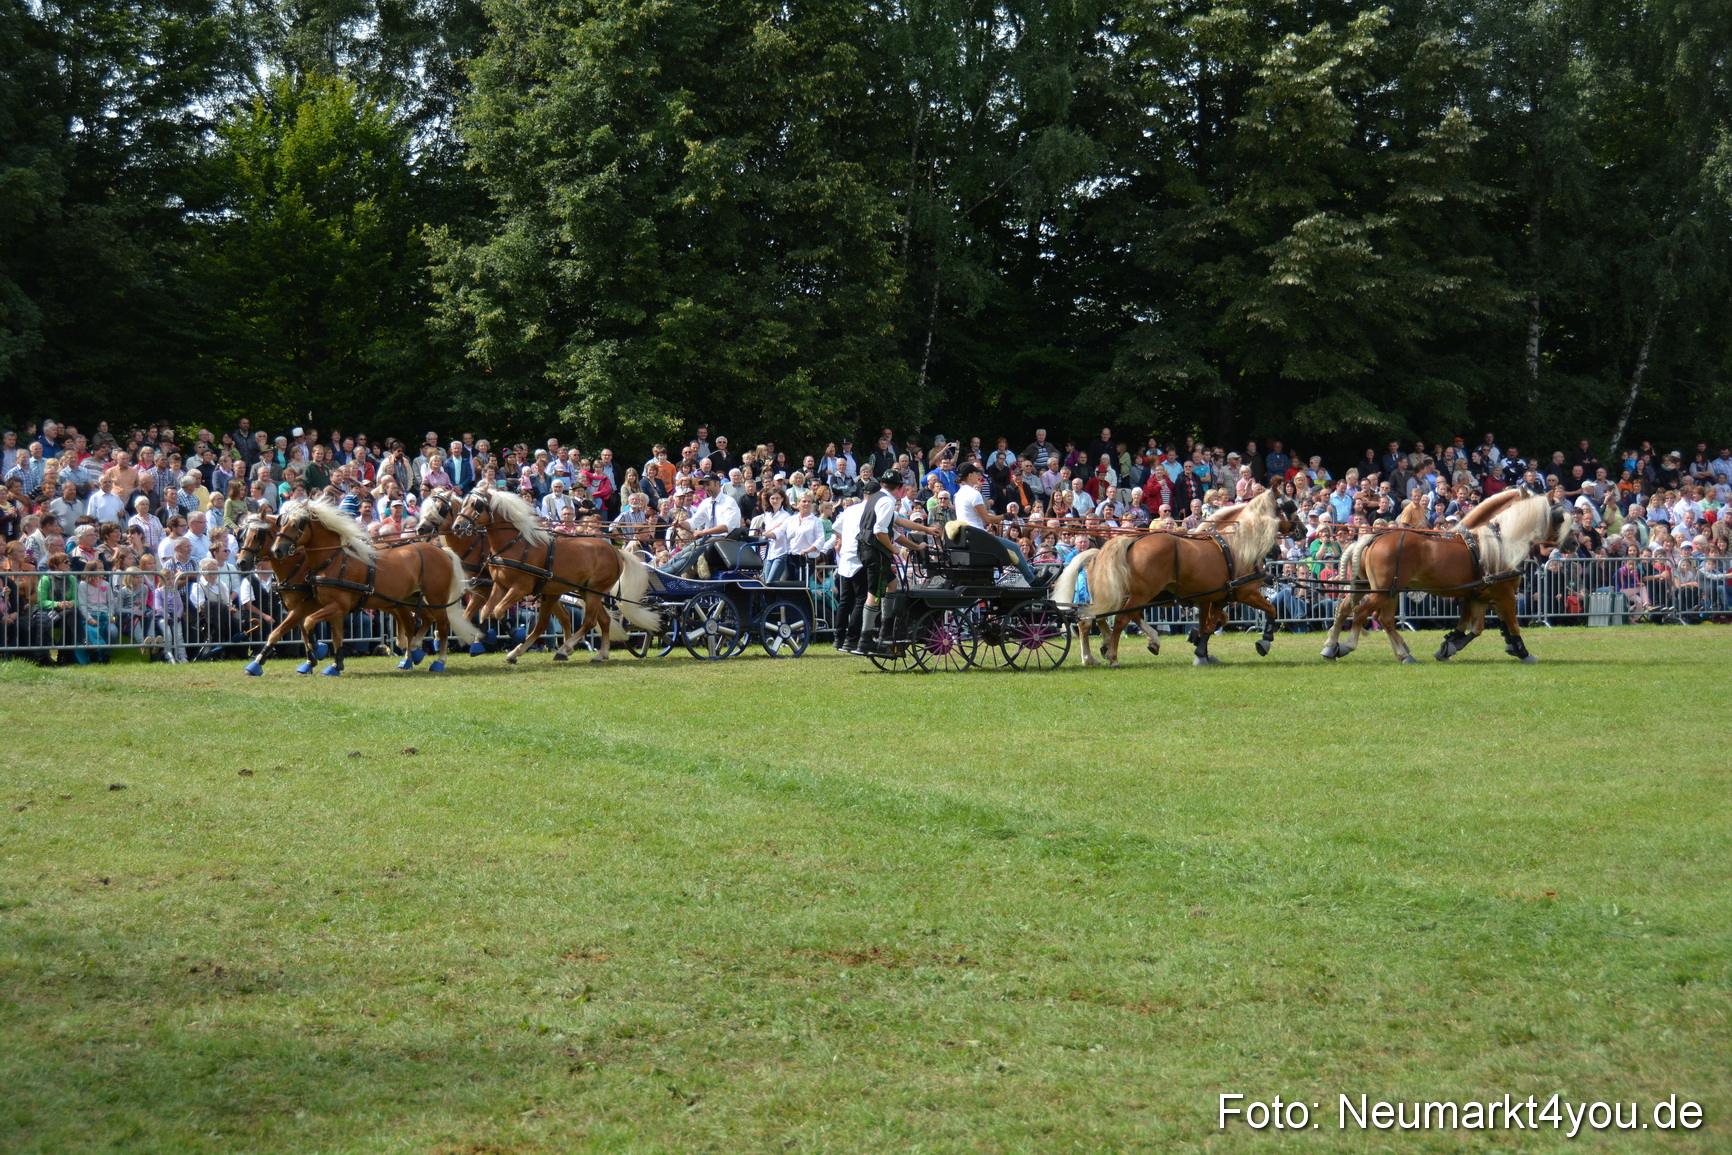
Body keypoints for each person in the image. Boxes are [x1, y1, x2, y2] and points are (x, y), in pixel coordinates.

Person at [952, 462, 1039, 584]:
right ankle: (1031, 578)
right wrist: (1004, 516)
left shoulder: (958, 494)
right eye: (976, 473)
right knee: (1014, 547)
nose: (978, 475)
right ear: (970, 475)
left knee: (1011, 548)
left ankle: (1030, 569)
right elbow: (987, 519)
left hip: (971, 536)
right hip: (978, 536)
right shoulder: (974, 494)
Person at [830, 490, 869, 651]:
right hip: (858, 558)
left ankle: (839, 638)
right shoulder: (870, 510)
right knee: (861, 600)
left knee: (845, 601)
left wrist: (844, 539)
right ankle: (851, 638)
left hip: (846, 558)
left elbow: (835, 527)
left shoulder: (850, 510)